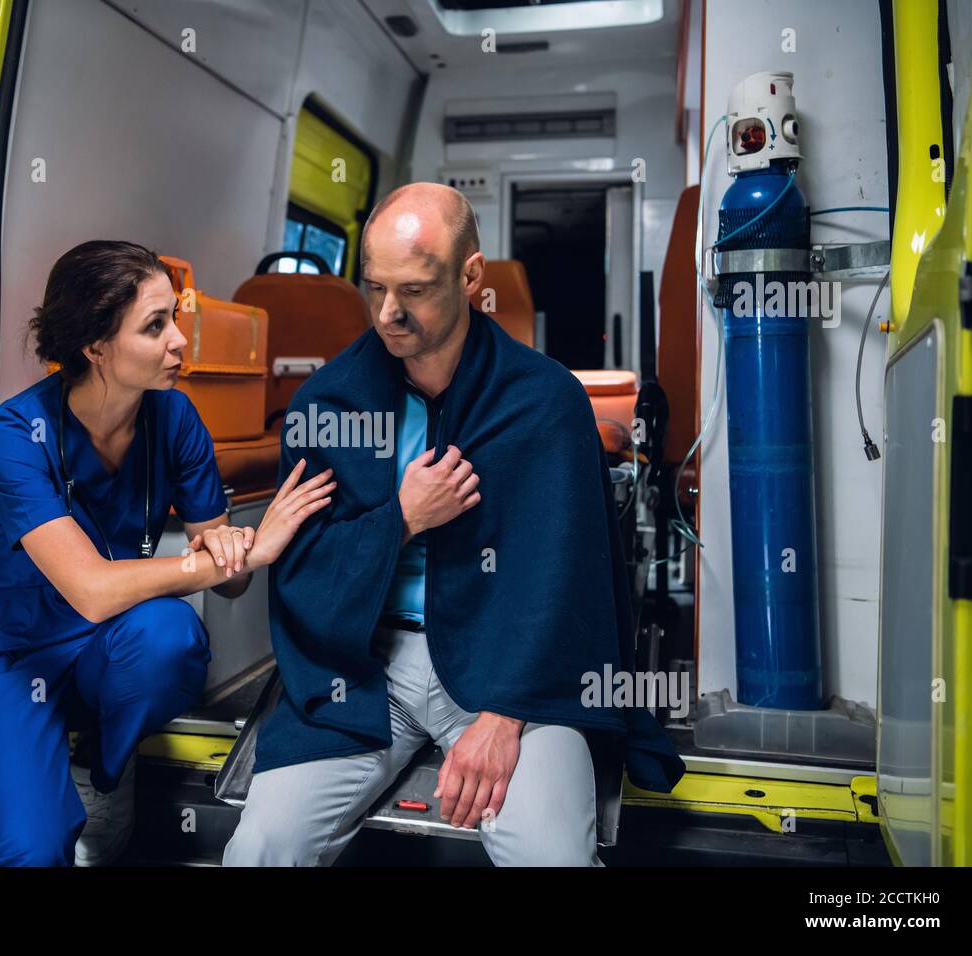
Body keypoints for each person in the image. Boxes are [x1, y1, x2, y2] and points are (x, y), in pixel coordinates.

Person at [223, 183, 684, 867]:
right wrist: (401, 519)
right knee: (259, 850)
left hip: (513, 671)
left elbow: (571, 585)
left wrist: (504, 716)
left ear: (471, 277)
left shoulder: (544, 400)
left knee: (550, 857)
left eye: (413, 289)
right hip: (366, 667)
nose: (387, 313)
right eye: (374, 287)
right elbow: (307, 574)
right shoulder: (329, 404)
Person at [0, 240, 335, 866]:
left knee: (173, 639)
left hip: (112, 649)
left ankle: (103, 764)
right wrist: (242, 554)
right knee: (34, 851)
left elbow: (229, 583)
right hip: (19, 653)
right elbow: (93, 589)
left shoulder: (175, 418)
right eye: (155, 326)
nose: (180, 340)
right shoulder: (18, 432)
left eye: (174, 319)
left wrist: (235, 550)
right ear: (95, 347)